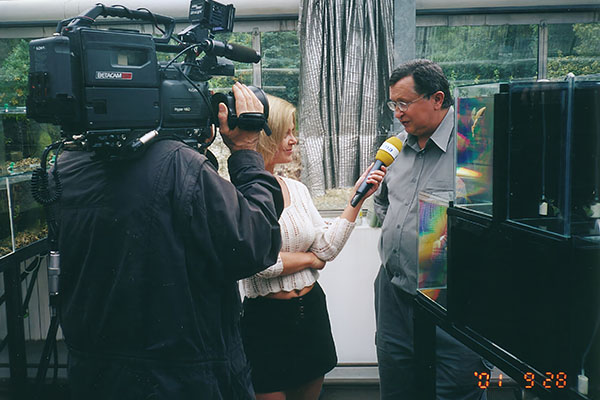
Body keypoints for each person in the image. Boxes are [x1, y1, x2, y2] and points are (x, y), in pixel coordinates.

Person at [55, 83, 284, 399]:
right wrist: (246, 151)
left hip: (95, 372)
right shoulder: (179, 164)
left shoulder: (67, 163)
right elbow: (255, 242)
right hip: (183, 378)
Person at [240, 94, 385, 400]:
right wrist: (309, 259)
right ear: (266, 135)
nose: (294, 140)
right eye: (287, 133)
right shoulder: (239, 192)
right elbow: (260, 264)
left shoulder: (297, 189)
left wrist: (356, 199)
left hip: (310, 314)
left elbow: (326, 249)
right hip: (266, 321)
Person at [373, 59, 491, 399]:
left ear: (437, 99)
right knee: (398, 389)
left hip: (454, 301)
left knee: (457, 390)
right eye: (393, 104)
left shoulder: (475, 148)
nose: (398, 113)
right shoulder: (397, 148)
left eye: (404, 103)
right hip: (395, 295)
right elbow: (383, 204)